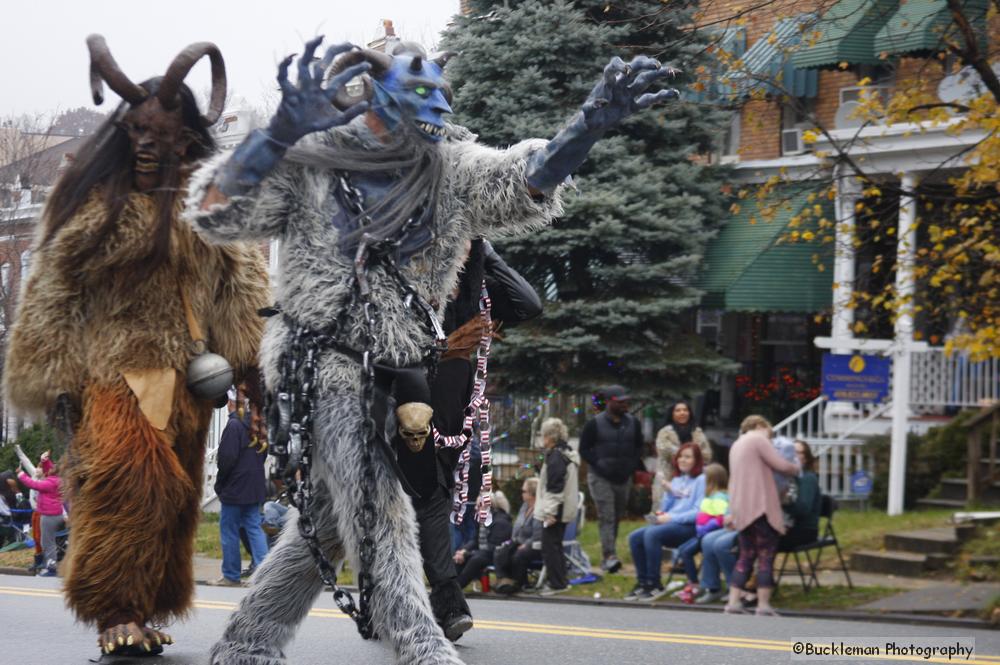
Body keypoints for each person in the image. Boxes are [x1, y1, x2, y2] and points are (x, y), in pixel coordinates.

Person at [186, 34, 677, 665]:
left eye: (442, 95)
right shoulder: (311, 163)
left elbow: (522, 177)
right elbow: (215, 212)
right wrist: (277, 131)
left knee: (333, 524)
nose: (438, 109)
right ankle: (422, 643)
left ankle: (247, 641)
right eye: (421, 94)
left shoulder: (448, 166)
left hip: (403, 367)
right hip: (320, 361)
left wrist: (587, 124)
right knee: (378, 500)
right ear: (374, 99)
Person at [2, 36, 268, 656]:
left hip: (192, 379)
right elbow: (52, 290)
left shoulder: (211, 208)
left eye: (163, 133)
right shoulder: (91, 209)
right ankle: (114, 608)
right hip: (116, 372)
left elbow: (242, 285)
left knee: (174, 498)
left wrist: (252, 365)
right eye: (138, 132)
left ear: (187, 137)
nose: (148, 144)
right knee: (131, 484)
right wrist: (52, 379)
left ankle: (144, 608)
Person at [725, 415, 800, 616]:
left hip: (742, 508)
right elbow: (781, 465)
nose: (771, 437)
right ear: (760, 426)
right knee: (766, 556)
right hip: (760, 507)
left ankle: (733, 601)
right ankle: (764, 605)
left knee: (745, 556)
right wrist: (796, 467)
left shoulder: (736, 445)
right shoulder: (758, 439)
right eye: (770, 431)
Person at [625, 443, 705, 601]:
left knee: (652, 534)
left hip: (689, 528)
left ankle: (655, 583)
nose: (682, 460)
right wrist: (667, 494)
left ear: (697, 461)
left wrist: (670, 518)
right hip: (671, 524)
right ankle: (643, 582)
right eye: (680, 456)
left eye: (688, 457)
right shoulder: (677, 479)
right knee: (634, 537)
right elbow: (666, 508)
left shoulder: (701, 480)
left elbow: (698, 512)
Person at [579, 384, 645, 574]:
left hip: (623, 478)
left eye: (626, 401)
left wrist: (631, 466)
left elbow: (638, 447)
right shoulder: (594, 424)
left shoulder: (633, 422)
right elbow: (584, 449)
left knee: (616, 516)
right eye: (620, 401)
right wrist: (599, 464)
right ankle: (609, 556)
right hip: (600, 477)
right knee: (606, 515)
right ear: (609, 402)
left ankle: (610, 553)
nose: (625, 404)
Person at [211, 385, 270, 587]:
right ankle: (264, 575)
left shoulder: (234, 426)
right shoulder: (258, 424)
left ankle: (231, 575)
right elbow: (263, 453)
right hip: (254, 486)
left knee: (229, 531)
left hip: (235, 487)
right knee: (254, 528)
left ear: (231, 403)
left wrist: (220, 483)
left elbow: (226, 459)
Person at [535, 417, 580, 595]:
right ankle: (561, 580)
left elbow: (555, 487)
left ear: (549, 437)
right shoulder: (565, 452)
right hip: (564, 507)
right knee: (556, 545)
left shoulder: (556, 457)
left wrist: (550, 512)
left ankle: (556, 583)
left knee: (550, 546)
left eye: (543, 435)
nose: (542, 439)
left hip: (556, 510)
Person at [675, 463, 729, 603]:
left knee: (687, 552)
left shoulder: (719, 497)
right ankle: (694, 582)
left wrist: (707, 527)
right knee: (683, 550)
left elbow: (721, 517)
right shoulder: (710, 496)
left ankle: (702, 585)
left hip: (709, 534)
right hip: (701, 533)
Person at [654, 401, 712, 507]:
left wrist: (691, 458)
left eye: (685, 410)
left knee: (690, 505)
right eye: (678, 410)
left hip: (693, 477)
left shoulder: (697, 432)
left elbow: (707, 454)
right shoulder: (664, 432)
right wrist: (689, 455)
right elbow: (664, 451)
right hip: (668, 474)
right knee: (664, 506)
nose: (682, 413)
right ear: (672, 414)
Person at [454, 491, 513, 589]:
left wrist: (468, 554)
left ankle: (456, 588)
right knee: (458, 558)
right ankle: (447, 585)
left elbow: (493, 548)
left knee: (475, 560)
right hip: (482, 553)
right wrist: (463, 551)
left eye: (479, 506)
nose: (475, 508)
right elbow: (475, 540)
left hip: (496, 555)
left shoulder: (500, 522)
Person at [494, 478, 544, 594]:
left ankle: (519, 583)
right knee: (501, 551)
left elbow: (539, 534)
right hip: (519, 541)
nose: (522, 493)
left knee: (518, 555)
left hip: (536, 544)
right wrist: (513, 541)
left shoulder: (539, 509)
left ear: (532, 493)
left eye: (524, 491)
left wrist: (526, 544)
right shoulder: (524, 507)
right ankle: (504, 580)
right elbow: (517, 526)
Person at [17, 455, 63, 577]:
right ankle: (49, 565)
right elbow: (50, 468)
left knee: (48, 542)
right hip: (53, 514)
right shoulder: (57, 479)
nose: (49, 468)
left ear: (53, 472)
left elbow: (33, 484)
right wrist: (45, 460)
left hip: (49, 515)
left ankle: (52, 568)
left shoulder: (50, 482)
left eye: (50, 468)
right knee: (45, 541)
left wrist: (21, 474)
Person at [779, 440, 821, 550]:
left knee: (759, 541)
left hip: (804, 531)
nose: (792, 455)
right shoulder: (786, 477)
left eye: (797, 452)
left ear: (806, 459)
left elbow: (803, 510)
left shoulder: (807, 479)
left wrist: (783, 502)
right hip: (785, 526)